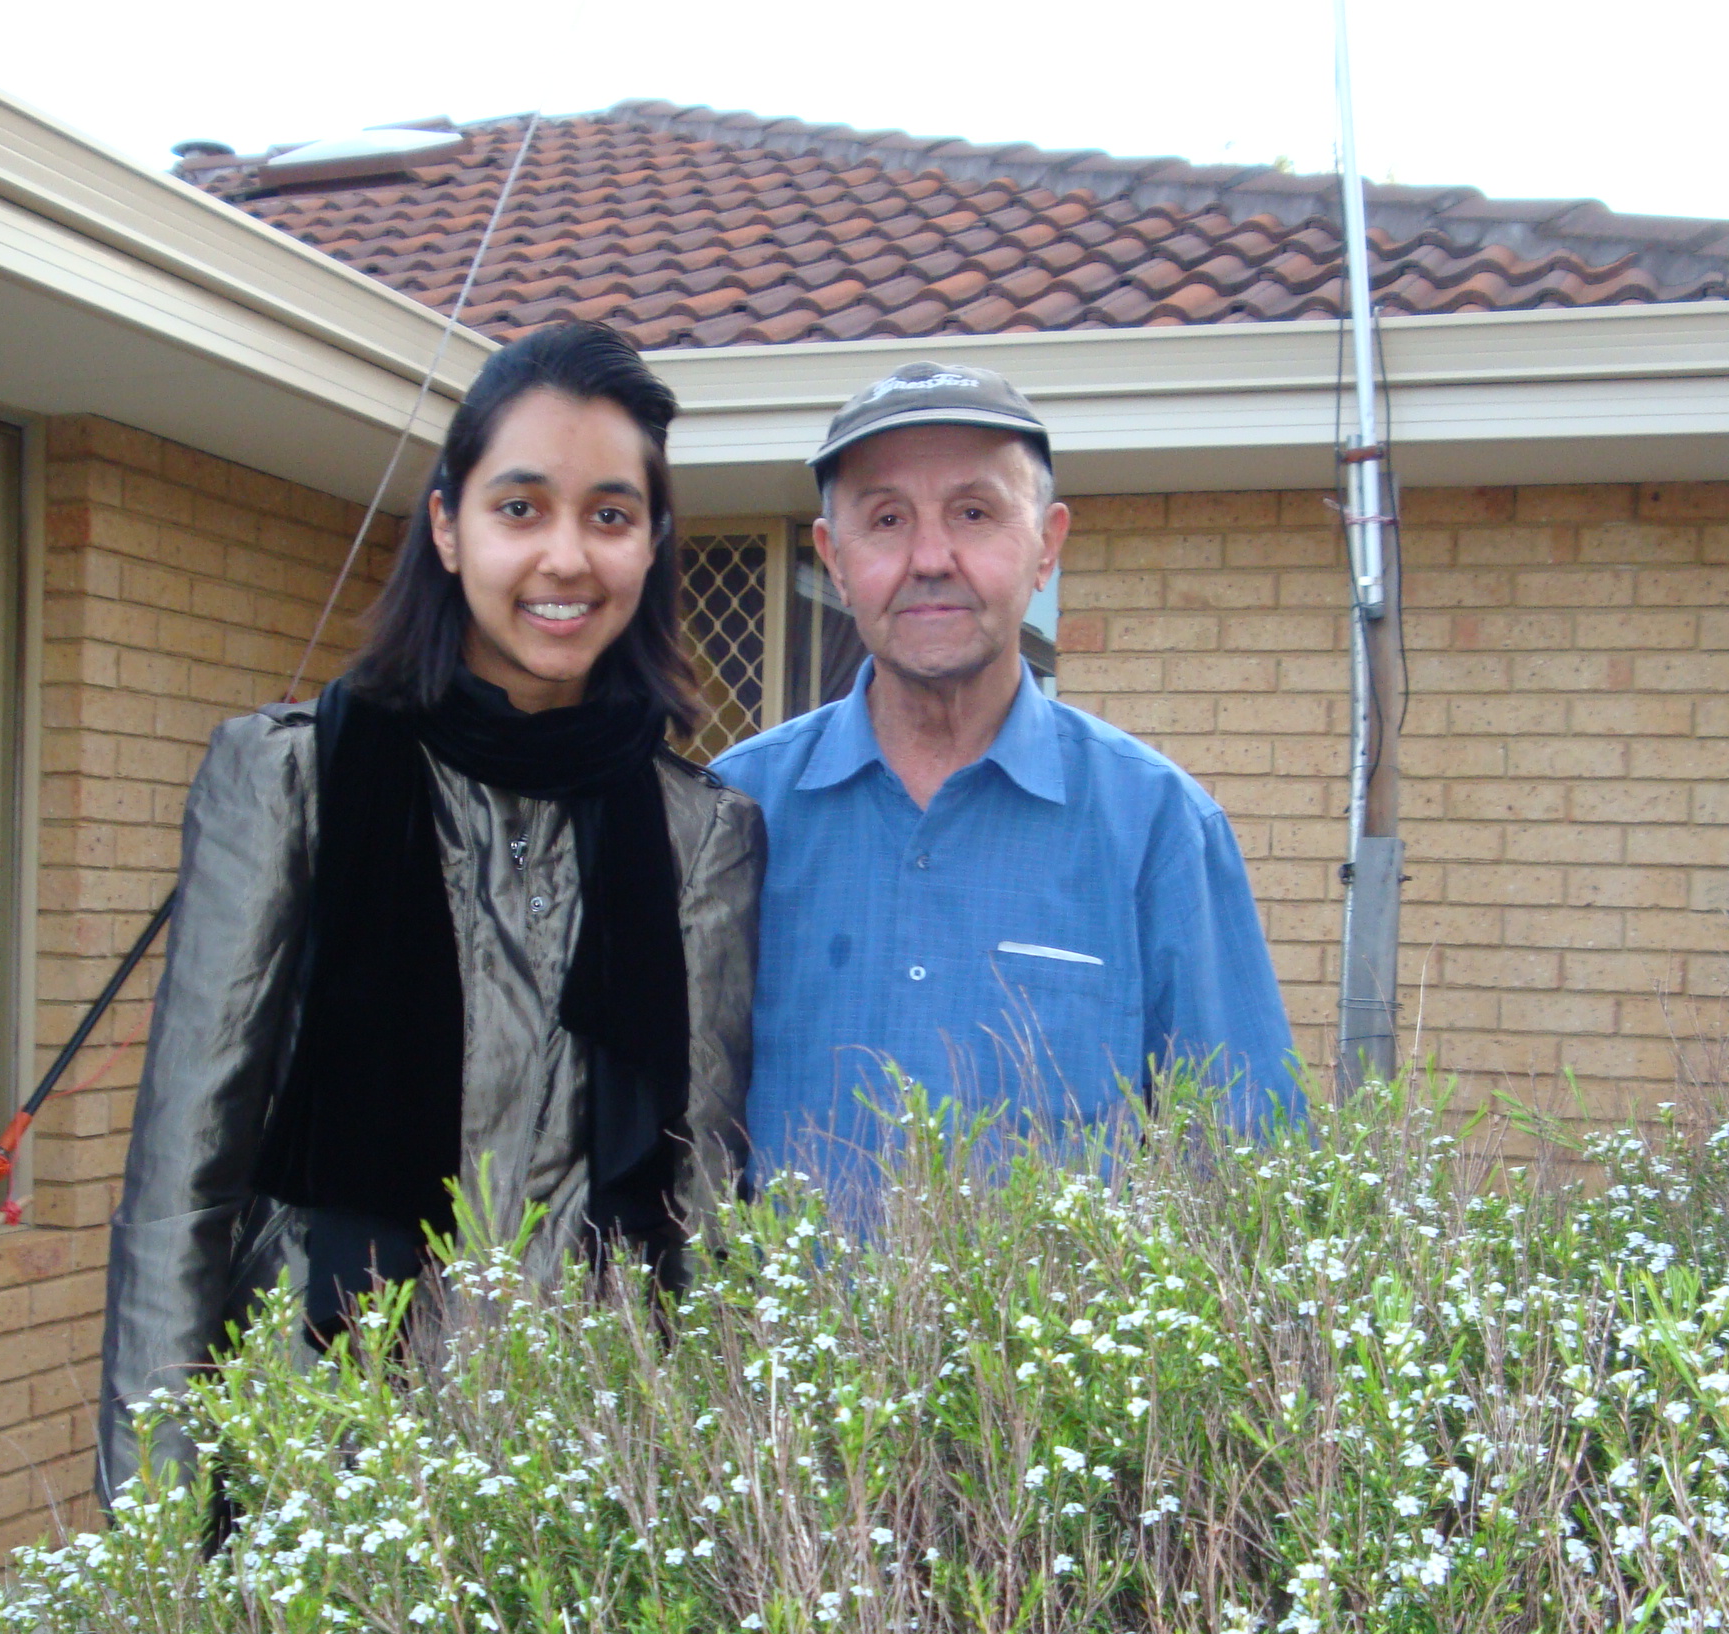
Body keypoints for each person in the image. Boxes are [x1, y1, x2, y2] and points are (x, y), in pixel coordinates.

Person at [98, 322, 762, 1501]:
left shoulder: (701, 834)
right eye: (522, 507)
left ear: (652, 546)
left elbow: (696, 1205)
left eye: (610, 516)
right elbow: (181, 1188)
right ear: (449, 526)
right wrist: (156, 1543)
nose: (566, 557)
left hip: (588, 1493)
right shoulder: (290, 779)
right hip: (324, 1486)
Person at [710, 361, 1299, 1176]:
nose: (929, 557)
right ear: (834, 557)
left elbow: (1245, 1167)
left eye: (975, 512)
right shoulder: (730, 813)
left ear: (1047, 545)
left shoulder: (1158, 827)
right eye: (884, 519)